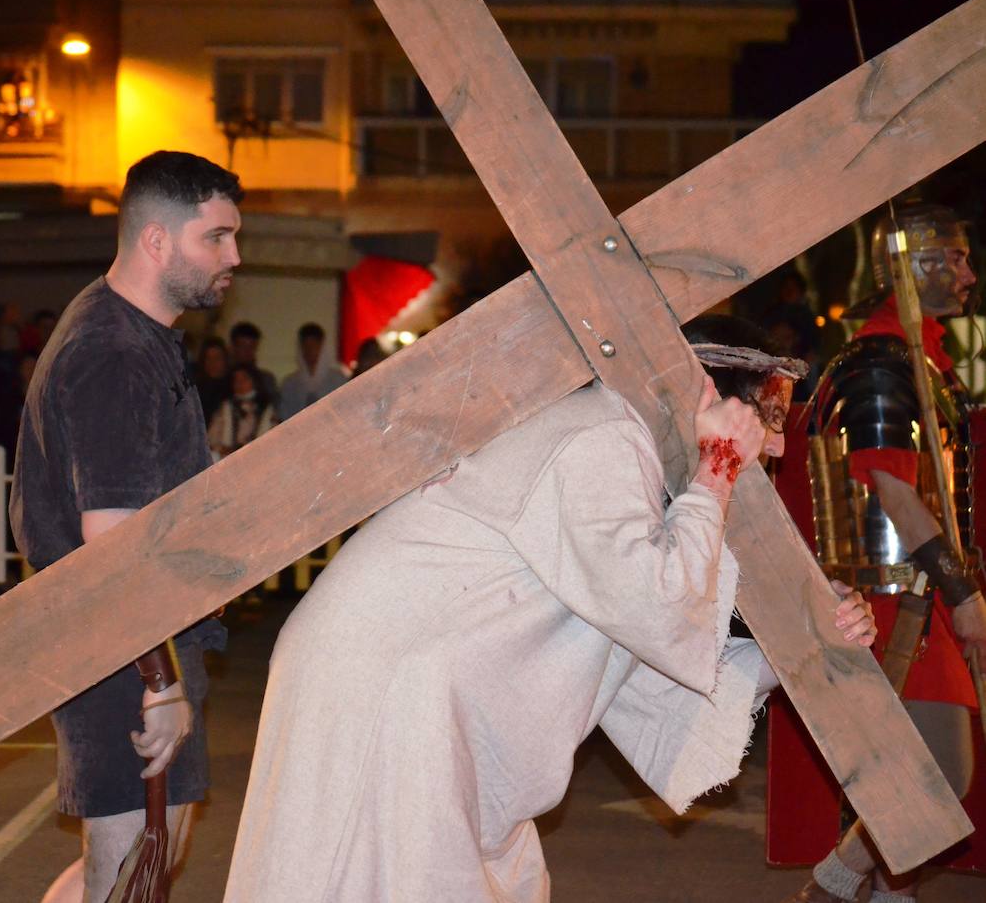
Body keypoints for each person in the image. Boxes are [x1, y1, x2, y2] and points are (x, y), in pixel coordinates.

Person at [224, 316, 878, 902]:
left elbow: (634, 649)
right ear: (710, 397)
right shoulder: (601, 439)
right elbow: (656, 610)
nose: (779, 446)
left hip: (405, 684)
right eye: (766, 416)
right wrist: (718, 470)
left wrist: (800, 643)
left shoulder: (620, 442)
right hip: (384, 685)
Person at [11, 150, 242, 903]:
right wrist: (160, 683)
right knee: (128, 869)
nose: (234, 256)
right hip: (119, 651)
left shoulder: (131, 333)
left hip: (128, 641)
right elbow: (114, 543)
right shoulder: (113, 353)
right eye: (217, 237)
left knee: (137, 863)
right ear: (156, 241)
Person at [786, 200, 986, 903]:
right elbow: (893, 492)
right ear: (913, 265)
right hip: (894, 601)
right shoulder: (880, 361)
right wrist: (963, 594)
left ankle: (888, 895)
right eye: (955, 258)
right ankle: (835, 881)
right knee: (932, 776)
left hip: (917, 595)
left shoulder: (923, 359)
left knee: (905, 776)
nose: (968, 273)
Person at [276, 322, 347, 421]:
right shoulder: (290, 384)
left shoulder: (338, 380)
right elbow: (284, 416)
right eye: (306, 346)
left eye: (314, 345)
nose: (310, 350)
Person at [207, 364, 275, 460]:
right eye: (236, 380)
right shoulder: (225, 408)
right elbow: (212, 439)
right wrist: (222, 448)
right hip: (227, 459)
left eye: (244, 379)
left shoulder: (267, 409)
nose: (239, 383)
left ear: (255, 381)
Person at [228, 321, 278, 407]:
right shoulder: (223, 378)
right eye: (243, 346)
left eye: (252, 347)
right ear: (233, 347)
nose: (248, 352)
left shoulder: (266, 380)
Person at [193, 336, 231, 424]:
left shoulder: (233, 388)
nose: (212, 363)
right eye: (208, 358)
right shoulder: (196, 388)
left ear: (225, 360)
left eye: (217, 358)